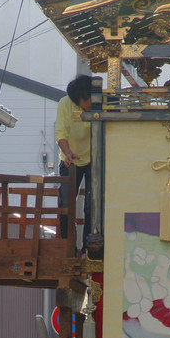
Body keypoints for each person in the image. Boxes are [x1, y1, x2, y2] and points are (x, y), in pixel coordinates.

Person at [55, 74, 93, 245]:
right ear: (78, 99)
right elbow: (61, 133)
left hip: (93, 159)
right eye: (86, 100)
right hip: (69, 159)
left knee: (91, 205)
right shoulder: (65, 104)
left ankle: (89, 248)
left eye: (91, 98)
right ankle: (67, 246)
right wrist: (68, 153)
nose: (90, 103)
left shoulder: (100, 104)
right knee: (65, 204)